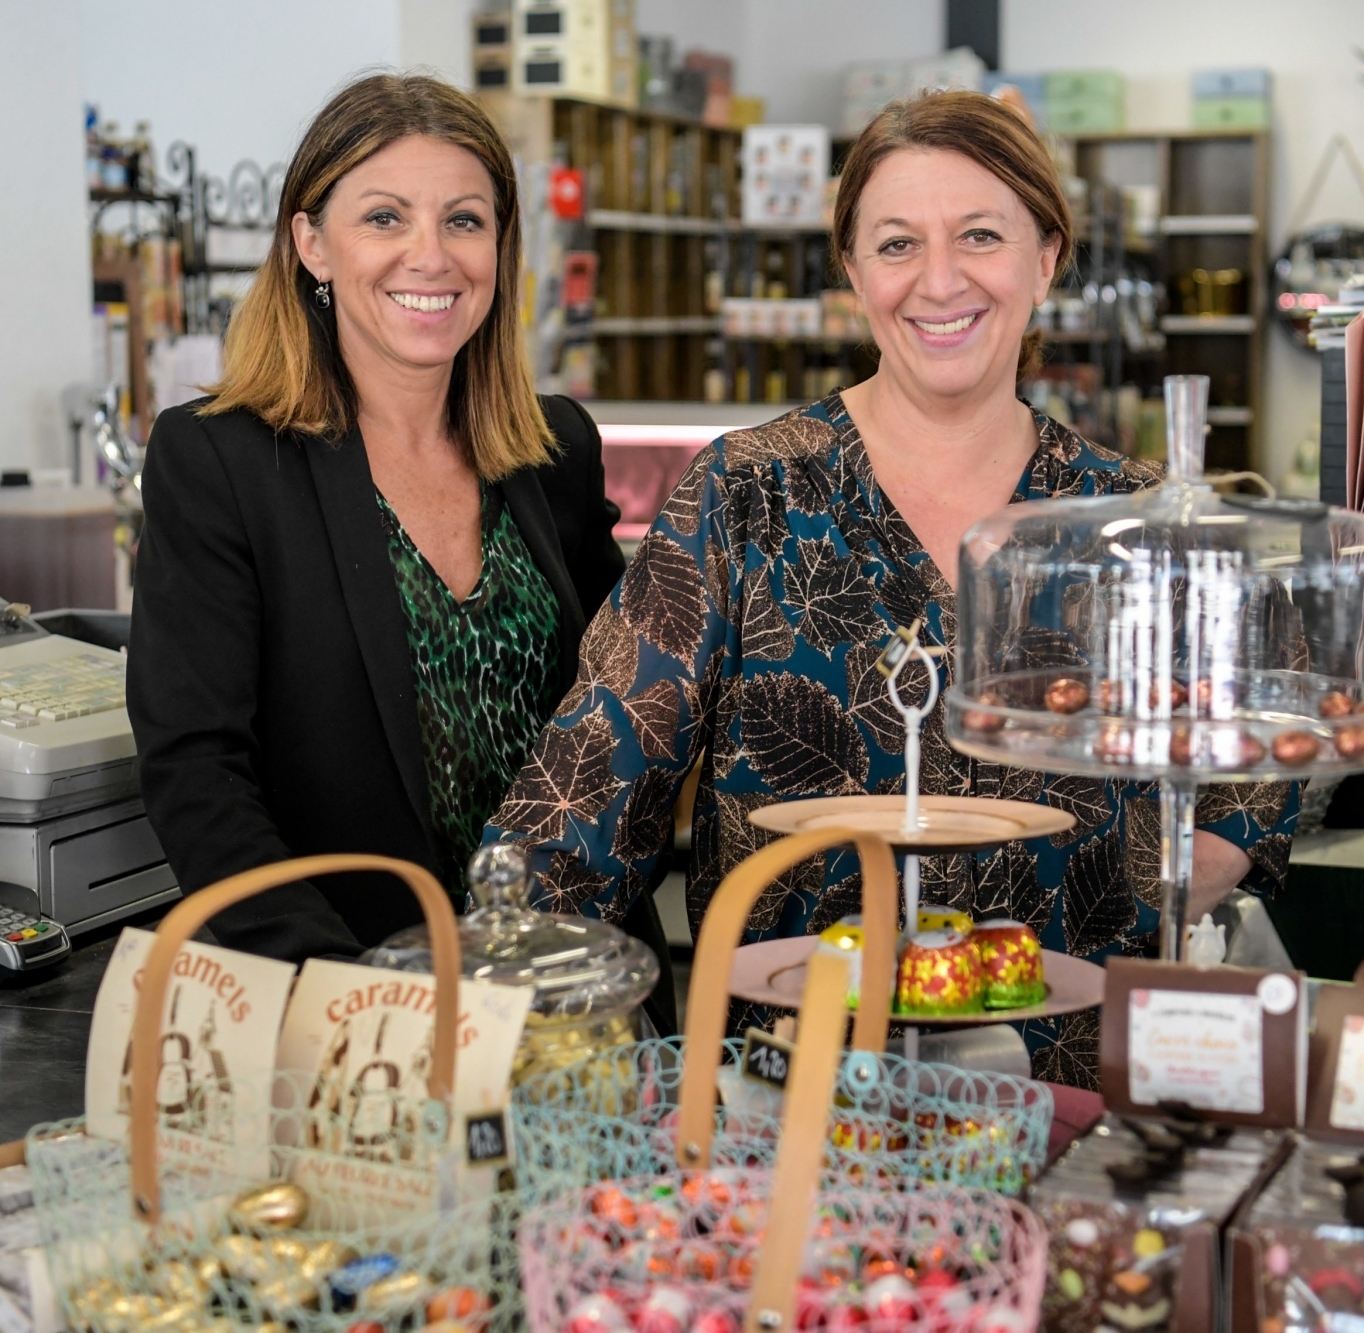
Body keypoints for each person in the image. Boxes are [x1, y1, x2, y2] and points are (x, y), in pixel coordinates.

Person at [486, 91, 1295, 1085]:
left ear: (1046, 256)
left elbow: (1268, 750)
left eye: (981, 235)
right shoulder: (749, 491)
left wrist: (1176, 874)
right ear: (853, 270)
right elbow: (588, 787)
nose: (939, 281)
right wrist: (477, 997)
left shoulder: (1128, 519)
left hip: (1071, 1110)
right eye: (897, 243)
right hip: (795, 1108)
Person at [129, 74, 624, 963]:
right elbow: (197, 772)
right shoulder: (222, 461)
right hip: (352, 1005)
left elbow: (628, 711)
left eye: (464, 220)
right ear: (312, 242)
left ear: (501, 246)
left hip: (570, 992)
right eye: (385, 217)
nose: (430, 256)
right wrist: (343, 989)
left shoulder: (556, 448)